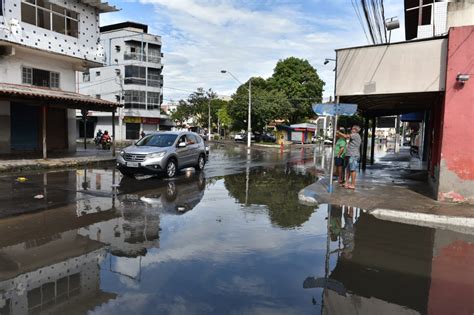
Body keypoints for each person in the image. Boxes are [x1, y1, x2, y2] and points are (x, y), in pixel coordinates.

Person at [337, 125, 361, 189]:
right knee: (348, 169)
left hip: (353, 155)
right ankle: (346, 183)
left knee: (352, 169)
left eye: (352, 129)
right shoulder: (354, 135)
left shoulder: (355, 135)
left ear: (355, 130)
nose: (351, 130)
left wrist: (338, 132)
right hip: (350, 155)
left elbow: (345, 136)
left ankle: (353, 184)